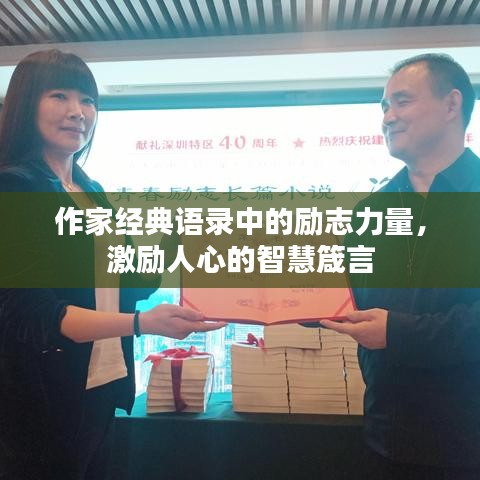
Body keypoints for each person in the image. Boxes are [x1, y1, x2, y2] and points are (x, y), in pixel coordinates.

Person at [0, 49, 225, 480]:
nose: (77, 112)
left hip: (101, 384)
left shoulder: (89, 189)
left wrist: (178, 232)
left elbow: (132, 282)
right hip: (38, 397)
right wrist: (141, 324)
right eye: (60, 96)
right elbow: (32, 314)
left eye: (87, 100)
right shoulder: (15, 187)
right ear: (27, 103)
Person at [321, 53, 480, 479]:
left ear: (452, 104)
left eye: (402, 101)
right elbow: (344, 300)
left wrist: (396, 332)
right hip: (386, 438)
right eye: (384, 107)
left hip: (468, 445)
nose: (388, 117)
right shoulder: (372, 210)